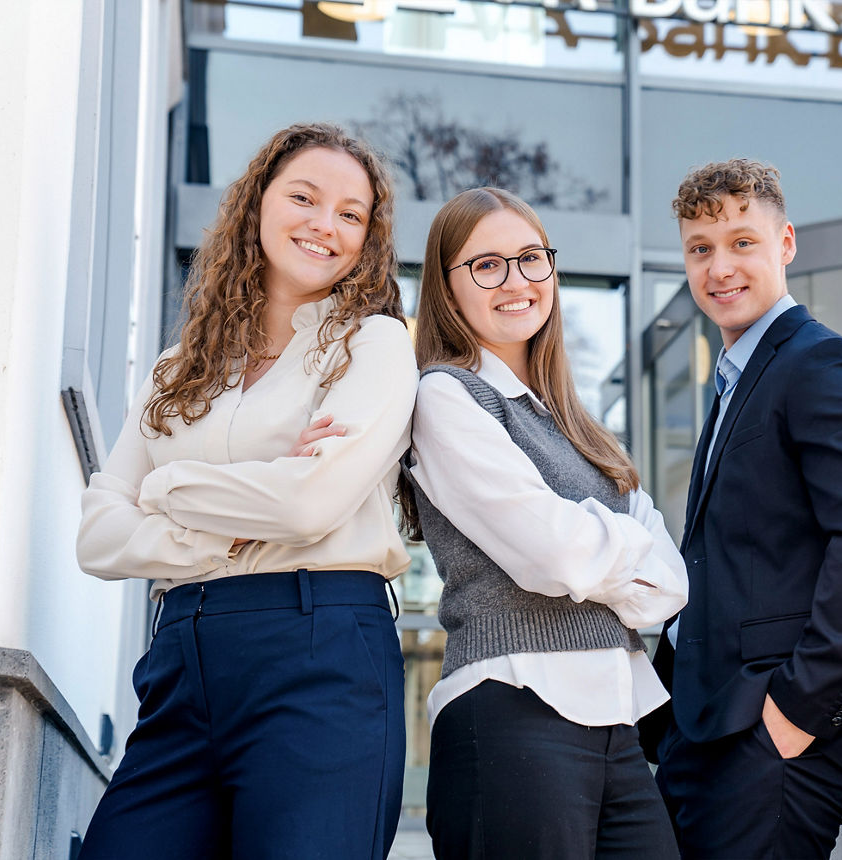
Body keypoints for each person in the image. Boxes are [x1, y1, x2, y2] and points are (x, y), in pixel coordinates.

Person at [75, 122, 417, 859]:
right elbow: (98, 536)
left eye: (351, 214)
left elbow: (306, 505)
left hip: (318, 655)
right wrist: (235, 514)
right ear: (258, 203)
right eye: (304, 197)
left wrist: (164, 485)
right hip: (181, 658)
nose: (325, 225)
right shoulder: (177, 370)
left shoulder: (375, 346)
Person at [643, 158, 842, 859]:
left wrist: (796, 712)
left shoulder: (822, 365)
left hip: (772, 743)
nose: (720, 268)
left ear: (785, 244)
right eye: (700, 249)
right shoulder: (738, 376)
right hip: (705, 731)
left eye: (743, 242)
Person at [399, 187, 687, 859]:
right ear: (447, 287)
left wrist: (591, 543)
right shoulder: (447, 395)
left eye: (531, 259)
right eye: (486, 265)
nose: (516, 281)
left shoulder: (578, 427)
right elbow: (555, 557)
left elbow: (670, 586)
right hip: (512, 711)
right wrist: (611, 542)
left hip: (618, 721)